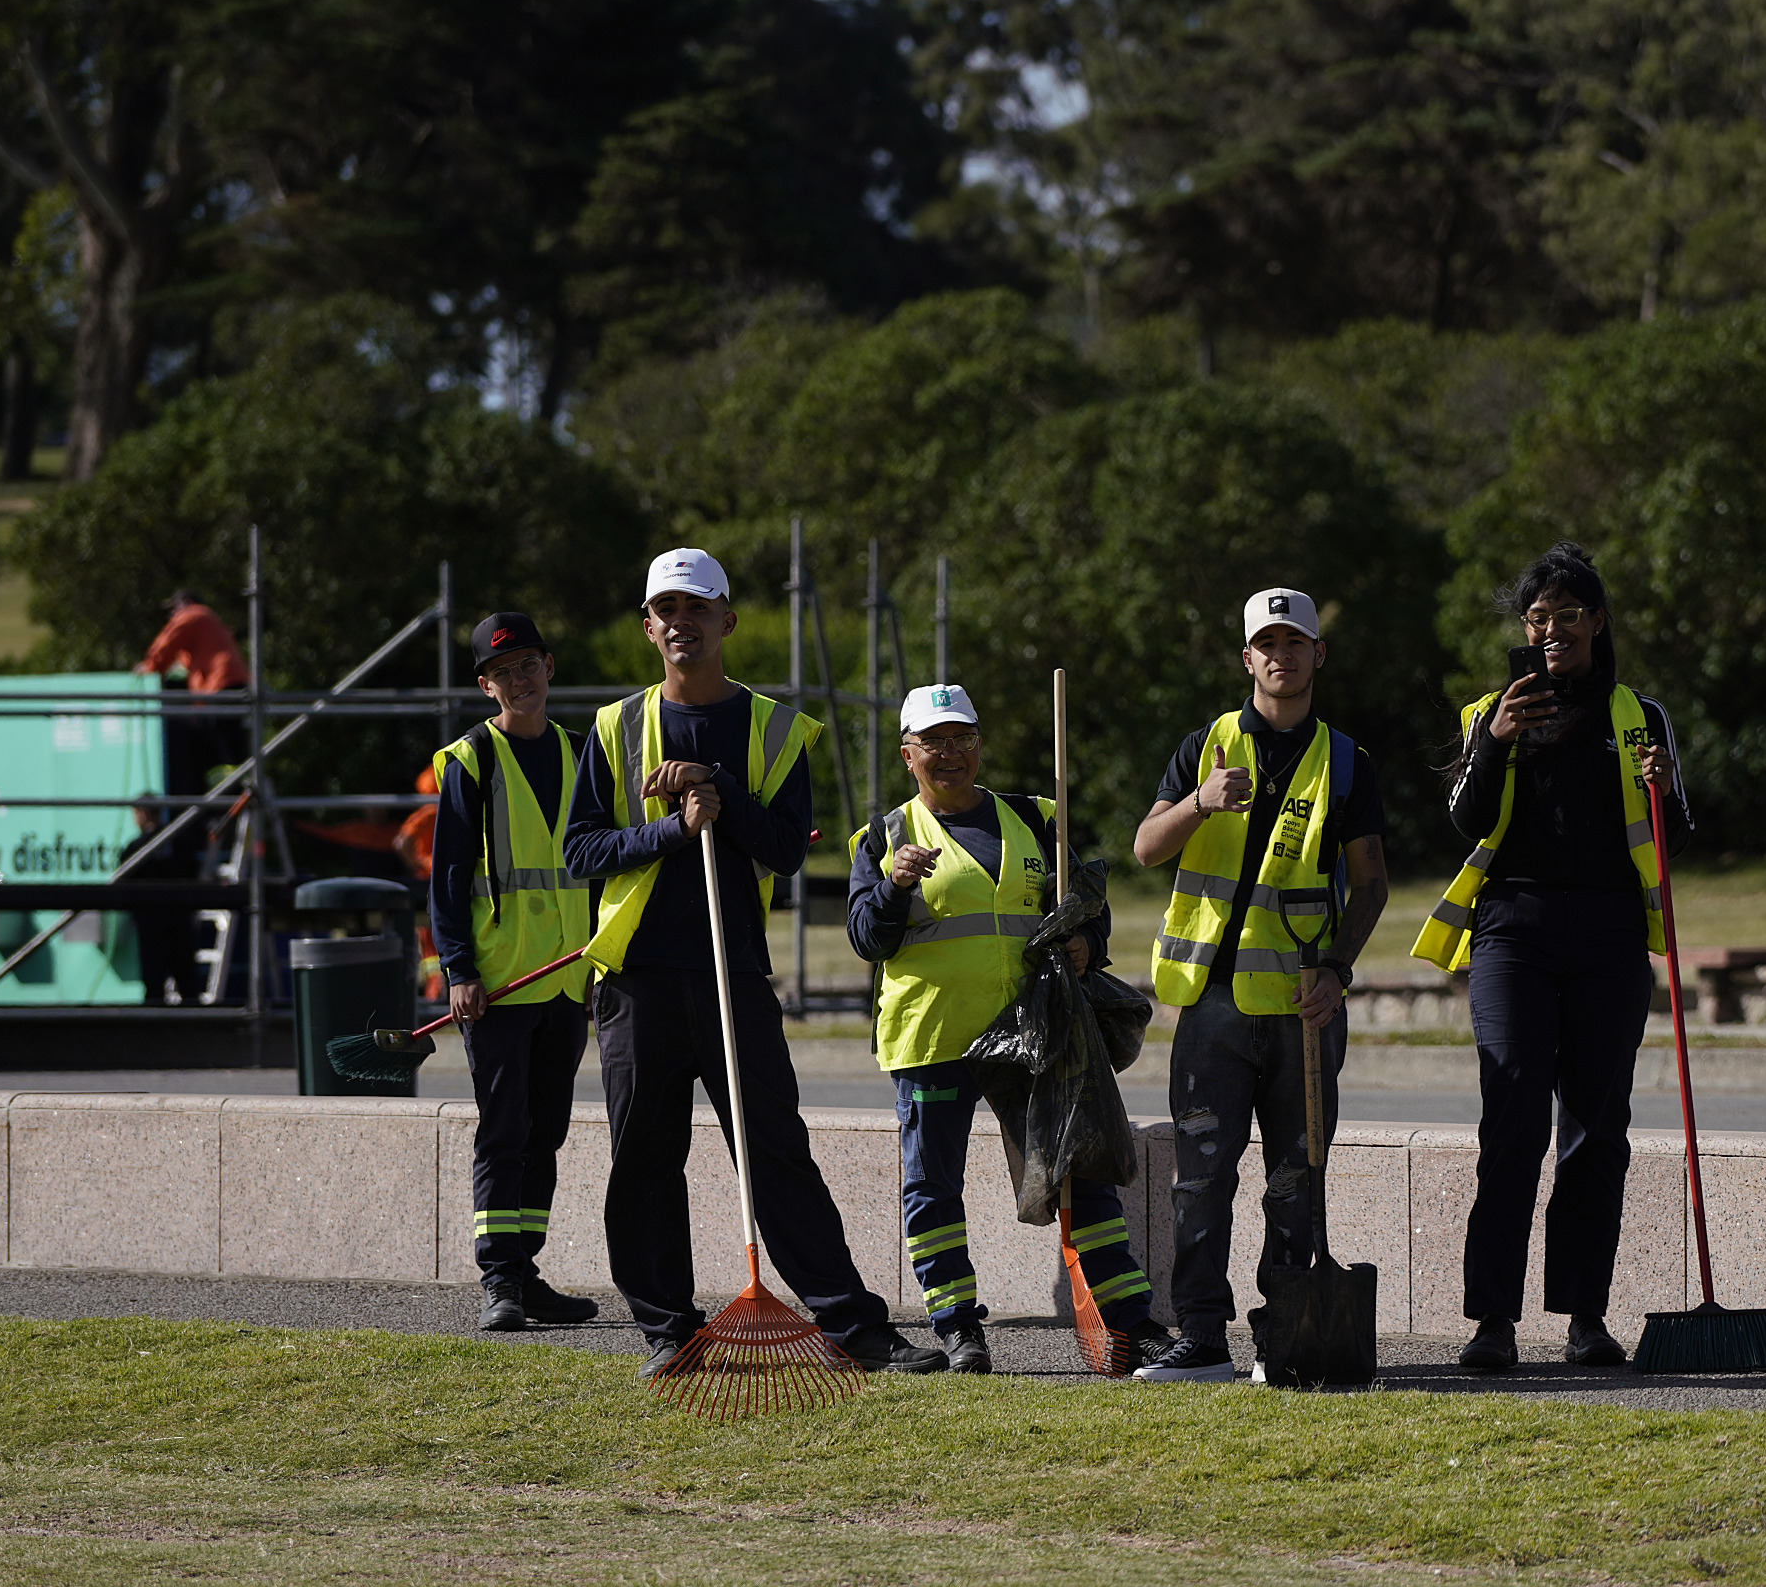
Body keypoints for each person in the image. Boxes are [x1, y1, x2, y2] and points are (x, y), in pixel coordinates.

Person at [562, 547, 943, 1378]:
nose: (680, 624)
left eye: (696, 609)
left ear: (726, 620)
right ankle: (668, 1328)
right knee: (643, 1158)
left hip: (732, 972)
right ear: (647, 627)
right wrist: (670, 829)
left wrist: (718, 790)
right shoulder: (614, 728)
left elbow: (785, 849)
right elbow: (582, 850)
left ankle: (853, 1326)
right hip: (635, 981)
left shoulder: (776, 727)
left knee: (776, 1153)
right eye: (665, 610)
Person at [1413, 542, 1687, 1373]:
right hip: (1512, 933)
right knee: (1517, 1117)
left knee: (1596, 1131)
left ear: (1598, 623)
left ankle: (1585, 1318)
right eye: (1538, 619)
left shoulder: (1642, 717)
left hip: (1608, 934)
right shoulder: (1485, 712)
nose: (1552, 632)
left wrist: (1664, 786)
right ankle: (1492, 1319)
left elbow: (1676, 837)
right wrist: (1495, 739)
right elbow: (1463, 818)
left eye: (1569, 616)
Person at [1128, 588, 1389, 1384]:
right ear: (1247, 658)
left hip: (1304, 1012)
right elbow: (1145, 847)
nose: (1281, 654)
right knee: (1200, 1178)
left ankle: (1286, 1336)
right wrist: (1201, 802)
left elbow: (1371, 882)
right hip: (1211, 1006)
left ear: (1318, 655)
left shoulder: (1347, 761)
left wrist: (1337, 970)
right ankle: (1202, 1338)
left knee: (1294, 1182)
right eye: (1265, 643)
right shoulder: (1204, 746)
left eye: (1296, 641)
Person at [846, 683, 1145, 1374]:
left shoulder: (1039, 817)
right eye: (933, 743)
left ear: (979, 744)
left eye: (962, 739)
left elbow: (1085, 900)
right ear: (907, 755)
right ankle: (958, 1329)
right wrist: (893, 887)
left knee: (1083, 1172)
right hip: (934, 1038)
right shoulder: (885, 837)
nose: (949, 754)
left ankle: (1129, 1322)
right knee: (934, 1187)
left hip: (1034, 1036)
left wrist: (1087, 944)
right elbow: (867, 938)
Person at [432, 612, 602, 1335]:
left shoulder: (579, 751)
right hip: (500, 981)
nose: (519, 680)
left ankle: (525, 1271)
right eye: (504, 672)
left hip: (567, 975)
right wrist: (458, 968)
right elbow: (446, 877)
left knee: (547, 1130)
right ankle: (498, 1276)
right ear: (485, 686)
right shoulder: (471, 761)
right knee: (505, 1129)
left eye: (528, 664)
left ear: (549, 667)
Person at [135, 588, 249, 802]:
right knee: (228, 750)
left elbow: (167, 644)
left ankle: (233, 797)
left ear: (186, 603)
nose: (172, 616)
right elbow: (183, 663)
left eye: (174, 609)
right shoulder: (208, 627)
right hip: (226, 688)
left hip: (220, 689)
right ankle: (234, 796)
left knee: (222, 749)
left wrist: (149, 667)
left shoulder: (195, 614)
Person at [122, 795, 208, 1005]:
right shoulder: (180, 842)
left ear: (141, 814)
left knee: (155, 982)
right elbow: (193, 874)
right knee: (186, 980)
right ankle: (195, 1028)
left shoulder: (136, 848)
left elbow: (123, 885)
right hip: (178, 918)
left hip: (151, 921)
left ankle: (155, 1030)